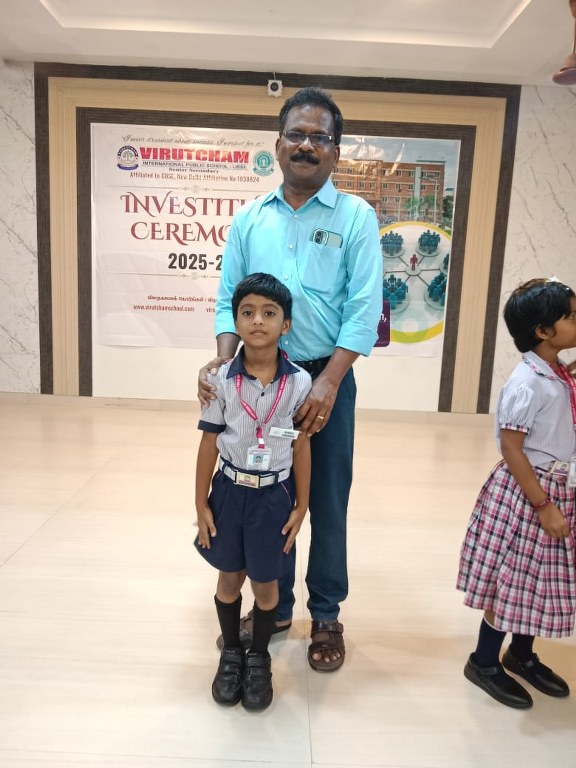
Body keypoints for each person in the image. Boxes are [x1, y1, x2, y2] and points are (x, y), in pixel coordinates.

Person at [198, 86, 382, 672]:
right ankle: (274, 607)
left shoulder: (356, 217)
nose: (307, 145)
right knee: (268, 491)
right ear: (277, 145)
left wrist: (328, 382)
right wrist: (223, 365)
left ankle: (325, 613)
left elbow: (363, 308)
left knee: (324, 499)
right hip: (260, 380)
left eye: (319, 137)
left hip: (327, 377)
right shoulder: (250, 219)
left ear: (336, 151)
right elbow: (229, 300)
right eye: (296, 135)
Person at [457, 278, 576, 709]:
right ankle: (484, 661)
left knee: (538, 580)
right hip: (531, 494)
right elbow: (511, 448)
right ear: (543, 331)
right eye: (571, 317)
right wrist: (543, 505)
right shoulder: (527, 383)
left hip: (555, 488)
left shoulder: (554, 371)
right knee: (512, 581)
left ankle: (521, 654)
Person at [195, 273, 311, 711]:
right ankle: (231, 653)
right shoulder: (220, 379)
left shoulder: (300, 382)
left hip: (272, 496)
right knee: (229, 578)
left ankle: (259, 657)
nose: (257, 320)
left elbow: (301, 446)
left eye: (269, 313)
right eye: (247, 312)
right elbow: (209, 441)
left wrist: (301, 505)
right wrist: (201, 503)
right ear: (236, 321)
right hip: (229, 491)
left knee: (266, 585)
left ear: (286, 324)